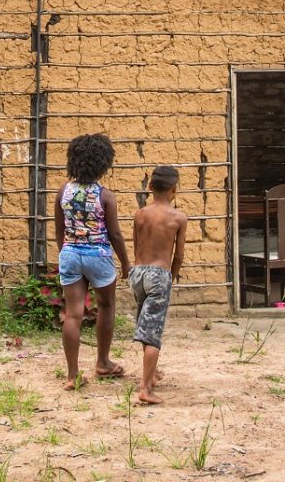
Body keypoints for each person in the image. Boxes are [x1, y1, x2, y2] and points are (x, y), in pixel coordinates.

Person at [55, 133, 130, 390]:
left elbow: (59, 230)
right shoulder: (105, 196)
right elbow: (115, 234)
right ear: (103, 163)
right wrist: (126, 263)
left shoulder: (63, 192)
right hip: (98, 256)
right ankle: (102, 362)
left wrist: (67, 252)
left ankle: (72, 375)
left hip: (70, 254)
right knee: (106, 307)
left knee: (73, 315)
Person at [129, 165, 187, 405]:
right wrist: (170, 276)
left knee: (145, 324)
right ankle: (145, 388)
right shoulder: (178, 217)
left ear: (150, 187)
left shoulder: (140, 214)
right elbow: (179, 255)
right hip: (159, 273)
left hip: (138, 273)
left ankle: (150, 376)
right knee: (153, 333)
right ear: (174, 189)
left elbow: (136, 245)